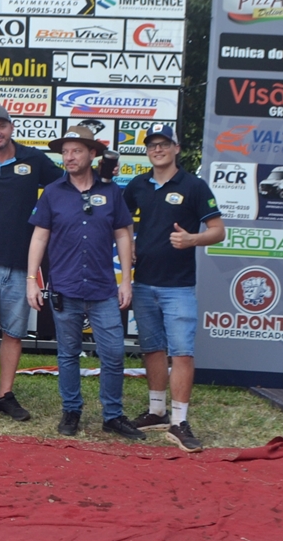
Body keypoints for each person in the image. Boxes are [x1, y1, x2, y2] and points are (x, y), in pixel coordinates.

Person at [26, 126, 143, 440]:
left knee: (113, 353)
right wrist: (31, 280)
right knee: (67, 354)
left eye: (76, 151)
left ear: (93, 154)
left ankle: (113, 415)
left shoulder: (111, 192)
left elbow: (123, 235)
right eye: (65, 152)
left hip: (103, 289)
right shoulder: (53, 192)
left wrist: (126, 281)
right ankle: (71, 410)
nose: (69, 157)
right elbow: (39, 237)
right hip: (64, 288)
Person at [123, 123, 225, 452]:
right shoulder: (138, 185)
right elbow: (120, 220)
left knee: (181, 352)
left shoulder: (194, 186)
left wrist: (192, 239)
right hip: (144, 283)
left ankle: (180, 421)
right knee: (152, 348)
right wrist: (129, 242)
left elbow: (219, 230)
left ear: (176, 148)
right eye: (152, 145)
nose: (158, 149)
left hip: (178, 287)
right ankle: (157, 411)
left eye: (164, 144)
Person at [0, 104, 61, 422]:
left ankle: (5, 395)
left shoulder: (34, 159)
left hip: (21, 265)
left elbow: (67, 185)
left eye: (1, 126)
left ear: (11, 126)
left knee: (13, 334)